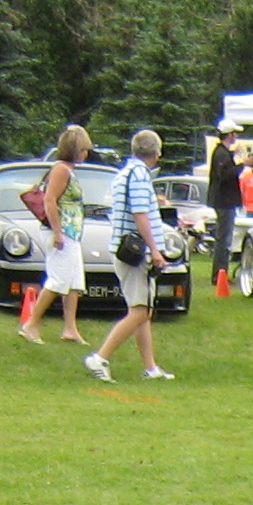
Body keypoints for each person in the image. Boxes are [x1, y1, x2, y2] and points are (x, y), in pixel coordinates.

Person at [85, 130, 173, 382]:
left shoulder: (125, 172)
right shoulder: (139, 176)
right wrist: (154, 249)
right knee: (140, 311)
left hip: (125, 247)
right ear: (156, 153)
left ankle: (151, 367)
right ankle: (100, 357)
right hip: (136, 252)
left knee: (142, 311)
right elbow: (140, 213)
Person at [19, 124, 91, 346]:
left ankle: (70, 328)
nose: (86, 153)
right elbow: (50, 200)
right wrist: (58, 232)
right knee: (58, 279)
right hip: (61, 232)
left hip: (72, 233)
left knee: (74, 281)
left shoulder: (69, 170)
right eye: (84, 149)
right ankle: (30, 324)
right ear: (75, 149)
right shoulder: (61, 170)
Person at [207, 119, 243, 280]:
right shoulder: (221, 153)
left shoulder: (222, 152)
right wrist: (243, 164)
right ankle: (219, 274)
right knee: (224, 240)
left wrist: (233, 155)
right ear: (229, 134)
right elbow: (226, 175)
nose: (236, 136)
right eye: (234, 133)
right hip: (224, 201)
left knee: (224, 238)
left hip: (225, 201)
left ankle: (221, 272)